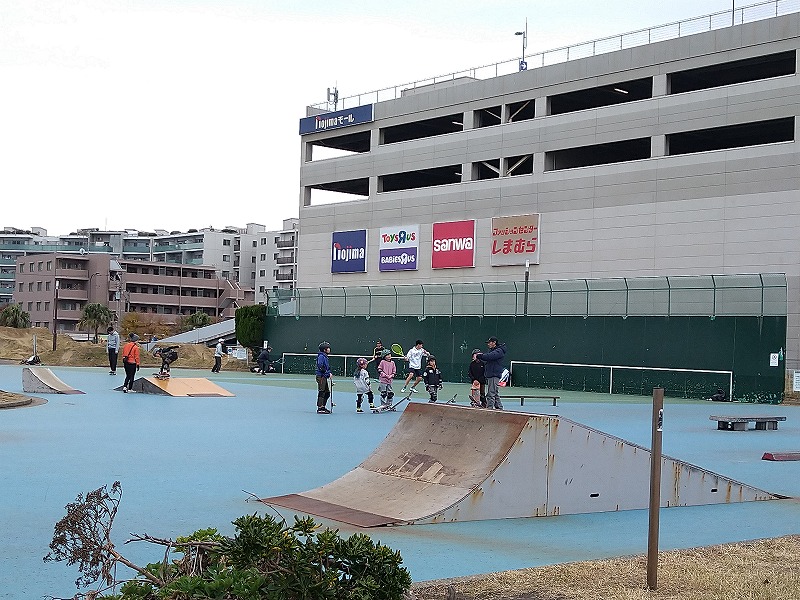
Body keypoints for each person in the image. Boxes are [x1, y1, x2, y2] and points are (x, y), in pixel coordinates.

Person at [477, 336, 506, 410]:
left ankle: (489, 409)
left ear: (494, 342)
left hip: (494, 374)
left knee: (491, 393)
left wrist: (480, 356)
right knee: (495, 392)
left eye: (489, 342)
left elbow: (489, 356)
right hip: (492, 374)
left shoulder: (498, 351)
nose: (488, 344)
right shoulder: (494, 351)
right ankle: (499, 408)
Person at [315, 341, 333, 414]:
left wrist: (328, 373)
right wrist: (327, 373)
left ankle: (323, 406)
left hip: (324, 376)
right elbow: (321, 366)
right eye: (328, 348)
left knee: (327, 393)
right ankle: (320, 408)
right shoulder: (321, 356)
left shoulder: (324, 356)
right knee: (322, 391)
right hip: (321, 376)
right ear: (324, 349)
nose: (329, 349)